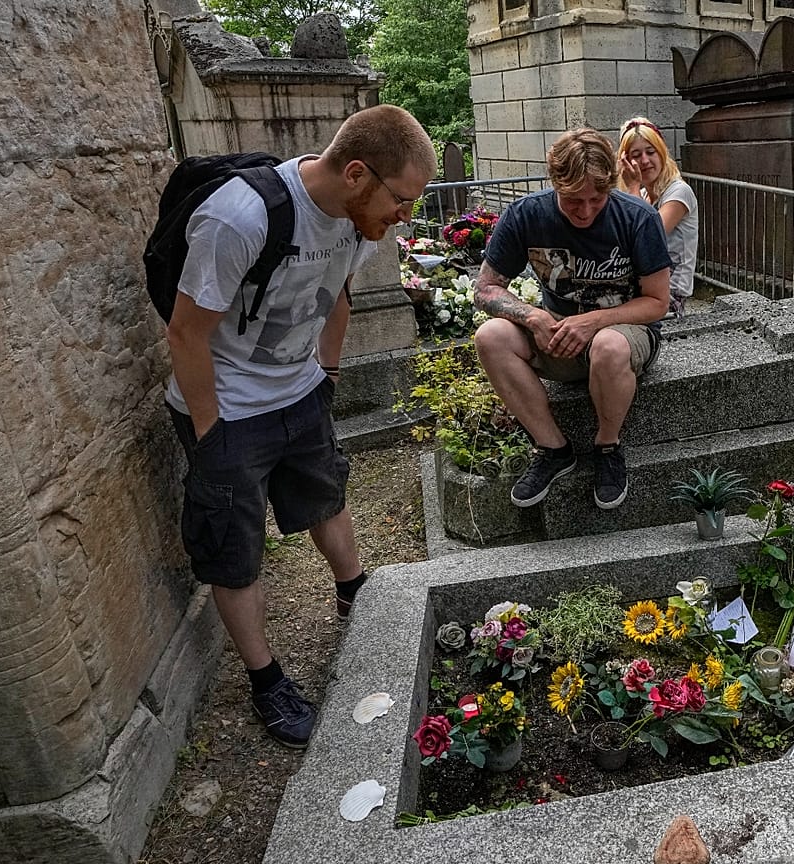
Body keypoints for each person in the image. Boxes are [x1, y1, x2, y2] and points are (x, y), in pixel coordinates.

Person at [165, 104, 437, 748]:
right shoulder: (240, 218)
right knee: (235, 553)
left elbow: (335, 297)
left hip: (300, 394)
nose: (405, 216)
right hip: (227, 409)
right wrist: (211, 435)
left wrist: (327, 377)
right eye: (401, 200)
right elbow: (186, 332)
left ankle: (353, 593)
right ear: (356, 173)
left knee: (324, 497)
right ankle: (266, 680)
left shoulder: (351, 221)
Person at [473, 129, 672, 511]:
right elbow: (486, 288)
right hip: (557, 336)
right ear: (554, 184)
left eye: (596, 200)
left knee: (608, 345)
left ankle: (607, 446)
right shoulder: (526, 215)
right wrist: (532, 316)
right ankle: (553, 448)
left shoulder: (638, 218)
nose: (584, 211)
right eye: (572, 200)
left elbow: (657, 302)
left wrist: (594, 321)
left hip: (624, 335)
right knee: (491, 336)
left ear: (611, 187)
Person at [616, 117, 697, 318]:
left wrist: (632, 187)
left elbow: (648, 237)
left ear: (661, 153)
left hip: (669, 297)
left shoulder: (679, 192)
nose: (644, 161)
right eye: (636, 155)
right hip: (641, 289)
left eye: (650, 152)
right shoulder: (644, 196)